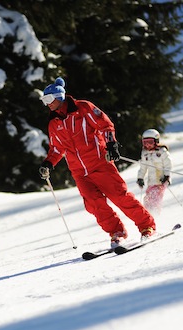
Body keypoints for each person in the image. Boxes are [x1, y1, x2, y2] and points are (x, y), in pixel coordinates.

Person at [38, 77, 156, 248]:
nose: (47, 104)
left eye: (48, 99)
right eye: (44, 101)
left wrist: (111, 144)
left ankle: (147, 226)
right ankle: (117, 232)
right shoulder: (53, 123)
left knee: (119, 196)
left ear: (59, 97)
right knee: (94, 204)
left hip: (99, 163)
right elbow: (57, 148)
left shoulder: (83, 108)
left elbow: (105, 125)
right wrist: (48, 163)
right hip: (79, 172)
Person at [136, 129, 172, 215]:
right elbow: (143, 167)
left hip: (161, 180)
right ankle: (148, 214)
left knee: (154, 197)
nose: (148, 145)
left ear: (156, 141)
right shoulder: (145, 153)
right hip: (151, 181)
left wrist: (167, 176)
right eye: (145, 143)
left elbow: (168, 164)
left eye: (150, 142)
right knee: (147, 198)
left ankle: (155, 214)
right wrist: (140, 178)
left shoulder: (162, 151)